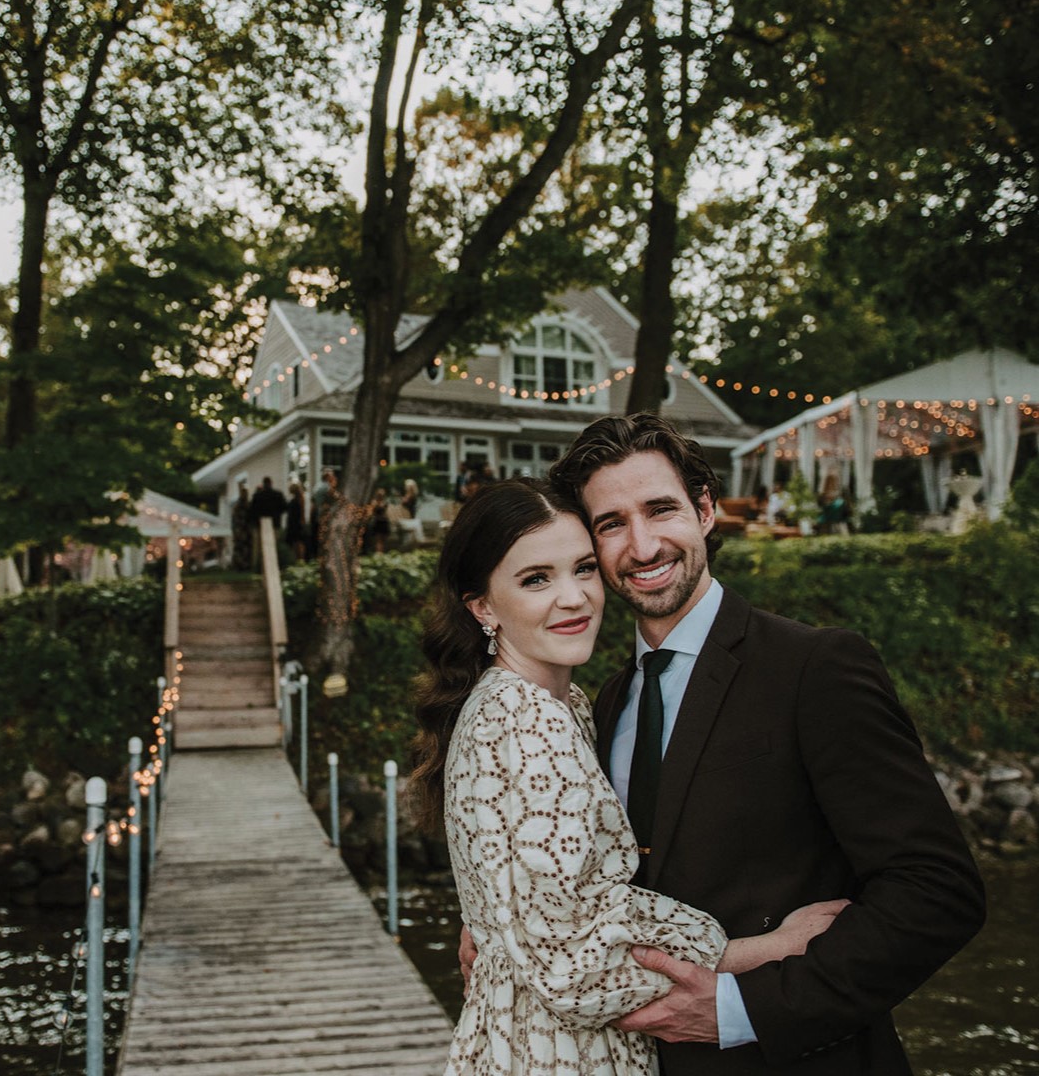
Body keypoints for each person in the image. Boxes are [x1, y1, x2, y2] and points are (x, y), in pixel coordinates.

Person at [541, 413, 985, 1074]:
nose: (642, 546)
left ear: (705, 510)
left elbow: (937, 892)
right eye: (611, 524)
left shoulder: (816, 668)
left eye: (661, 510)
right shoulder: (606, 702)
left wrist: (739, 1009)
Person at [413, 478, 846, 1076]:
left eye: (584, 569)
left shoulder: (564, 704)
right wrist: (762, 951)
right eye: (536, 579)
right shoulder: (526, 720)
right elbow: (570, 961)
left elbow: (548, 895)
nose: (573, 598)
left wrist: (496, 925)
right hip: (561, 1054)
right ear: (481, 606)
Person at [247, 476, 287, 569]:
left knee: (258, 547)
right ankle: (274, 565)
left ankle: (258, 566)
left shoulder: (257, 496)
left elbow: (252, 511)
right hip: (275, 523)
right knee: (274, 545)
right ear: (271, 483)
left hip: (260, 524)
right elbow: (284, 507)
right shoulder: (278, 494)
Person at [230, 483, 251, 571]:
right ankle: (239, 565)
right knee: (240, 548)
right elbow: (235, 518)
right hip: (240, 530)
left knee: (245, 549)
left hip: (245, 530)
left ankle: (244, 565)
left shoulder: (246, 505)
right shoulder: (239, 505)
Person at [285, 482, 307, 562]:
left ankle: (299, 559)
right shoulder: (300, 498)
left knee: (297, 542)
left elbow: (300, 512)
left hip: (294, 523)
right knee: (298, 542)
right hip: (297, 522)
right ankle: (299, 559)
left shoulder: (296, 500)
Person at [369, 486, 391, 554]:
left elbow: (386, 512)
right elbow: (372, 512)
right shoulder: (374, 502)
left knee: (383, 540)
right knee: (378, 540)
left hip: (384, 522)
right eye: (380, 494)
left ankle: (381, 553)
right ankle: (379, 554)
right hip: (378, 522)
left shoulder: (385, 502)